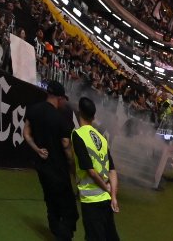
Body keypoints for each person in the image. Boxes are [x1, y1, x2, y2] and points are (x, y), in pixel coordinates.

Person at [24, 80, 79, 241]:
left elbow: (26, 133)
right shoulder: (61, 119)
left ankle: (55, 230)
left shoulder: (33, 110)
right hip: (58, 170)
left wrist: (37, 150)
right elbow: (66, 146)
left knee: (51, 201)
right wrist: (73, 169)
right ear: (60, 98)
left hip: (41, 166)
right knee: (70, 212)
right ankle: (62, 236)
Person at [71, 97, 120, 241]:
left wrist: (106, 189)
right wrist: (113, 196)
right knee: (110, 236)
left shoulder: (78, 134)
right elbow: (112, 170)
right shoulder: (102, 138)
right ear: (94, 117)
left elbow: (90, 171)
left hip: (91, 200)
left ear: (79, 112)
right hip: (106, 198)